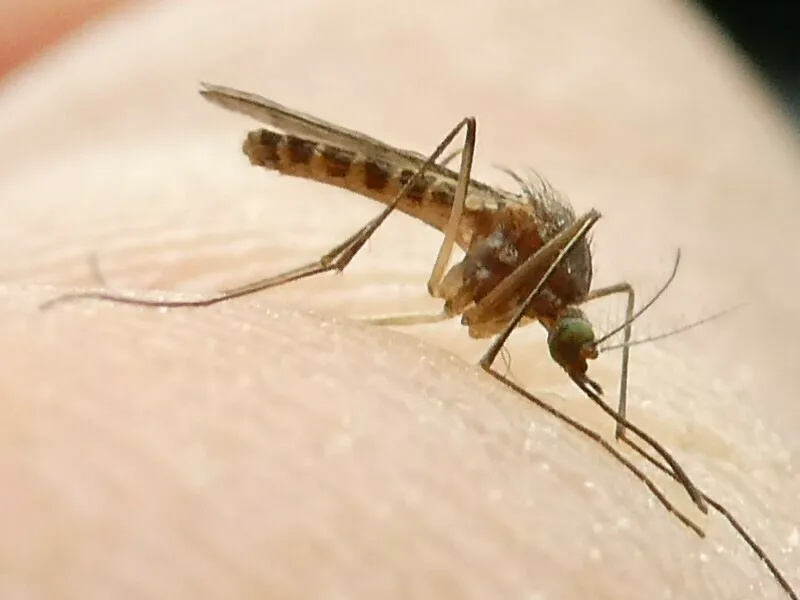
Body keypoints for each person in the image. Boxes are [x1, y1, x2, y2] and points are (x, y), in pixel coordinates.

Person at [1, 0, 798, 597]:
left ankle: (636, 449)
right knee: (461, 197)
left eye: (576, 349)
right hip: (464, 206)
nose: (576, 355)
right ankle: (329, 261)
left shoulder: (563, 294)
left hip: (511, 245)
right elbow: (498, 333)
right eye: (576, 345)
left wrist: (623, 433)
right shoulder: (538, 280)